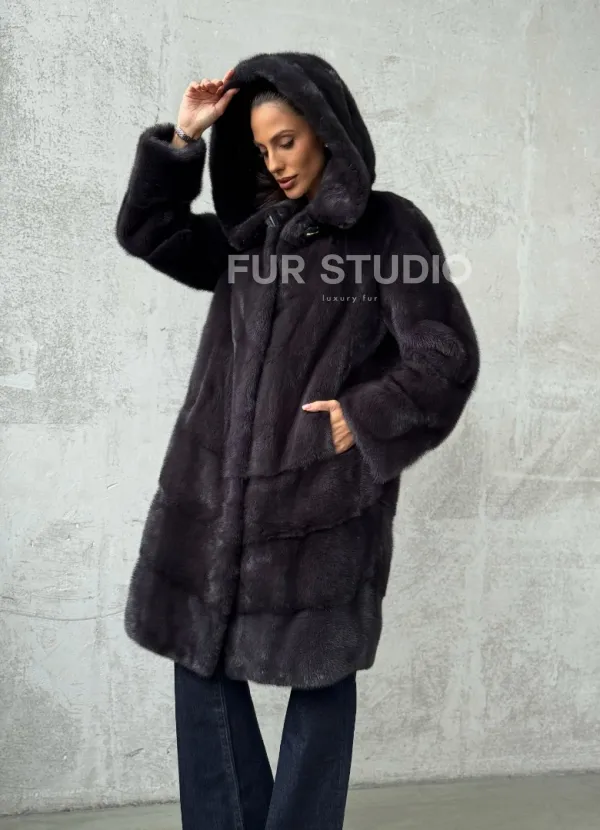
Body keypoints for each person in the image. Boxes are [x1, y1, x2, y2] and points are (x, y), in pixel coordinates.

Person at [115, 51, 480, 830]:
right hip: (212, 497)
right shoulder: (251, 235)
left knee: (320, 679)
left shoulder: (389, 228)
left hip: (321, 501)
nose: (275, 162)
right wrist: (184, 138)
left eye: (286, 141)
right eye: (261, 147)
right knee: (198, 659)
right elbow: (150, 231)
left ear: (326, 132)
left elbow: (444, 353)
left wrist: (365, 416)